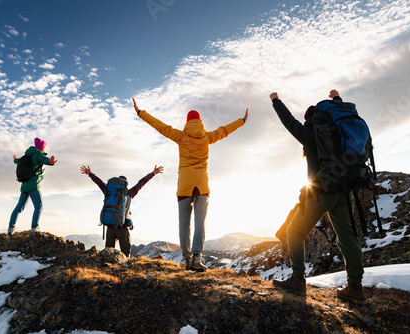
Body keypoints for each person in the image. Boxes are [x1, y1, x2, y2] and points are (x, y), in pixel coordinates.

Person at [269, 90, 367, 305]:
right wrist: (337, 100)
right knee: (348, 240)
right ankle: (355, 289)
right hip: (346, 189)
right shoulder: (339, 129)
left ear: (310, 120)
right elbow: (341, 121)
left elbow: (288, 121)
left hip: (322, 191)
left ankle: (297, 280)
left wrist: (276, 101)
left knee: (294, 232)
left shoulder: (309, 132)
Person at [133, 98, 248, 271]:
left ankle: (187, 259)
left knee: (184, 223)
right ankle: (197, 258)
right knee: (200, 223)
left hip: (184, 185)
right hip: (202, 185)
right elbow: (225, 131)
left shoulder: (180, 136)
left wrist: (140, 112)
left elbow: (160, 125)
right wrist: (242, 121)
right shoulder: (208, 137)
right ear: (200, 122)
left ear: (187, 122)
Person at [81, 164, 164, 257]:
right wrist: (153, 173)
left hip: (110, 226)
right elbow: (141, 183)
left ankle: (107, 269)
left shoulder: (108, 191)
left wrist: (90, 174)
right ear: (125, 184)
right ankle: (124, 270)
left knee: (108, 254)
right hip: (123, 227)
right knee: (125, 254)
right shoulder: (129, 193)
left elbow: (99, 183)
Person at [8, 137, 57, 237]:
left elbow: (17, 161)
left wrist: (14, 158)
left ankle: (11, 228)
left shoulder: (28, 155)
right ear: (43, 147)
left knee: (19, 208)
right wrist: (50, 162)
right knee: (38, 206)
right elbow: (44, 160)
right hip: (34, 185)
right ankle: (34, 228)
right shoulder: (38, 154)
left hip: (25, 185)